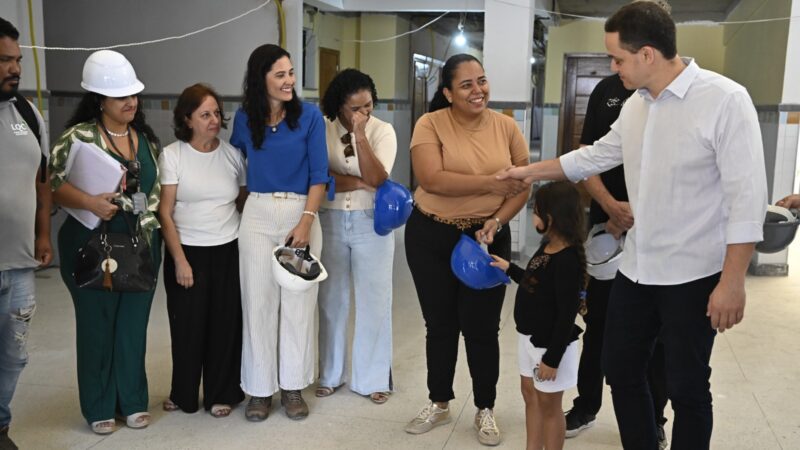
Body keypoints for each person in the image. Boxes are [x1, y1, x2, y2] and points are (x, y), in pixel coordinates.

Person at [500, 3, 767, 449]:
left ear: (647, 54)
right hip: (637, 269)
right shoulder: (637, 105)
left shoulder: (725, 100)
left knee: (686, 388)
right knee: (621, 371)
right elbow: (595, 156)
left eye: (617, 58)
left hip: (694, 275)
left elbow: (747, 200)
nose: (612, 67)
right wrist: (526, 173)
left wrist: (733, 281)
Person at [403, 53, 530, 446]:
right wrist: (493, 185)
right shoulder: (430, 123)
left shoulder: (506, 126)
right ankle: (439, 401)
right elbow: (432, 178)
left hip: (486, 237)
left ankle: (485, 408)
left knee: (481, 328)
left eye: (482, 81)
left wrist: (498, 219)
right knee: (439, 325)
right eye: (467, 85)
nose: (479, 91)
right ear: (448, 93)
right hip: (431, 235)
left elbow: (523, 183)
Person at [49, 50, 162, 435]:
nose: (131, 102)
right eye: (120, 97)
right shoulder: (77, 137)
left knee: (132, 326)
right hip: (90, 245)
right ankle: (98, 404)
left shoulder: (144, 139)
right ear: (99, 100)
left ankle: (131, 400)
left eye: (133, 95)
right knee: (97, 325)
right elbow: (52, 185)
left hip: (141, 245)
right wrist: (90, 202)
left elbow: (156, 190)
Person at [565, 72, 669, 449]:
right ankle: (586, 406)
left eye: (621, 54)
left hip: (658, 232)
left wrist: (642, 214)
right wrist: (609, 206)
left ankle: (655, 417)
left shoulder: (676, 92)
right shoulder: (607, 91)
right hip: (606, 228)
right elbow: (587, 152)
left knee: (656, 336)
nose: (615, 63)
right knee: (598, 326)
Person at [231, 44, 328, 422]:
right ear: (262, 79)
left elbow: (320, 175)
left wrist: (305, 221)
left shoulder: (310, 118)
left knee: (298, 304)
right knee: (257, 303)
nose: (289, 81)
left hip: (299, 213)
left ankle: (292, 386)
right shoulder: (243, 119)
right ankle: (258, 390)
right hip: (256, 214)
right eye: (280, 75)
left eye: (290, 73)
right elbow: (237, 167)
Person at [158, 83, 247, 418]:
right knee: (187, 327)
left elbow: (242, 202)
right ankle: (183, 393)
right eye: (205, 114)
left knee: (225, 325)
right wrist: (180, 261)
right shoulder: (173, 155)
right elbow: (165, 212)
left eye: (216, 113)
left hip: (227, 249)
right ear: (187, 119)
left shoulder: (233, 155)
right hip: (187, 252)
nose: (214, 120)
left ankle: (222, 392)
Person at [316, 69, 397, 404]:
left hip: (371, 222)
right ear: (339, 107)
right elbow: (321, 176)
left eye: (368, 106)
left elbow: (377, 177)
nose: (364, 114)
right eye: (355, 109)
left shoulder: (383, 131)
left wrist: (361, 136)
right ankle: (330, 374)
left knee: (374, 300)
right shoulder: (321, 129)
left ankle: (373, 378)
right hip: (330, 219)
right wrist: (358, 181)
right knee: (331, 299)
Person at [490, 181, 585, 450]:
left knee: (550, 406)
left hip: (551, 347)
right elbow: (535, 282)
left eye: (535, 210)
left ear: (550, 218)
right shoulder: (548, 246)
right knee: (530, 395)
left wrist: (552, 358)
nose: (532, 215)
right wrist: (510, 269)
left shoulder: (567, 260)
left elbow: (567, 315)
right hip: (529, 339)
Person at [0, 17, 51, 450]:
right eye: (4, 60)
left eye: (17, 60)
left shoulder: (27, 113)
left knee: (14, 356)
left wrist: (43, 235)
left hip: (19, 264)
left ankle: (0, 427)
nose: (14, 68)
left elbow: (42, 180)